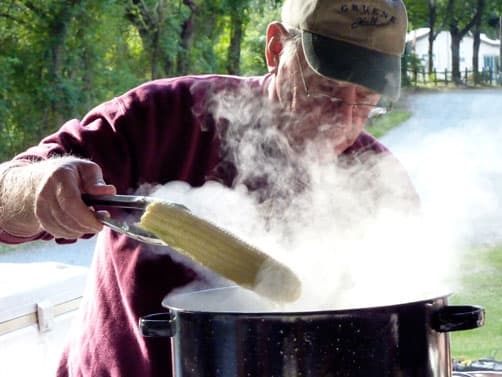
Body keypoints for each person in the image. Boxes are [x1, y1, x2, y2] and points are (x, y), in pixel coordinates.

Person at [0, 0, 417, 376]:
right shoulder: (162, 117)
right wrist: (42, 184)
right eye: (324, 88)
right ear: (276, 48)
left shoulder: (377, 179)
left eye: (365, 99)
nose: (342, 119)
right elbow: (7, 195)